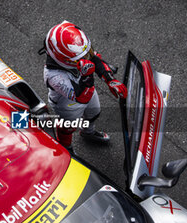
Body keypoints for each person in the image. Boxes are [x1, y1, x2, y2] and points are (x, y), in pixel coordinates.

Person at [38, 21, 128, 153]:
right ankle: (67, 151)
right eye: (81, 57)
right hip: (68, 103)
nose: (86, 57)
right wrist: (87, 76)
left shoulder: (73, 53)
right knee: (67, 128)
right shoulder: (54, 77)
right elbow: (81, 97)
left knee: (94, 113)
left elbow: (94, 59)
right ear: (63, 59)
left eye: (86, 53)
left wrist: (110, 80)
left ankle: (88, 133)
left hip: (87, 90)